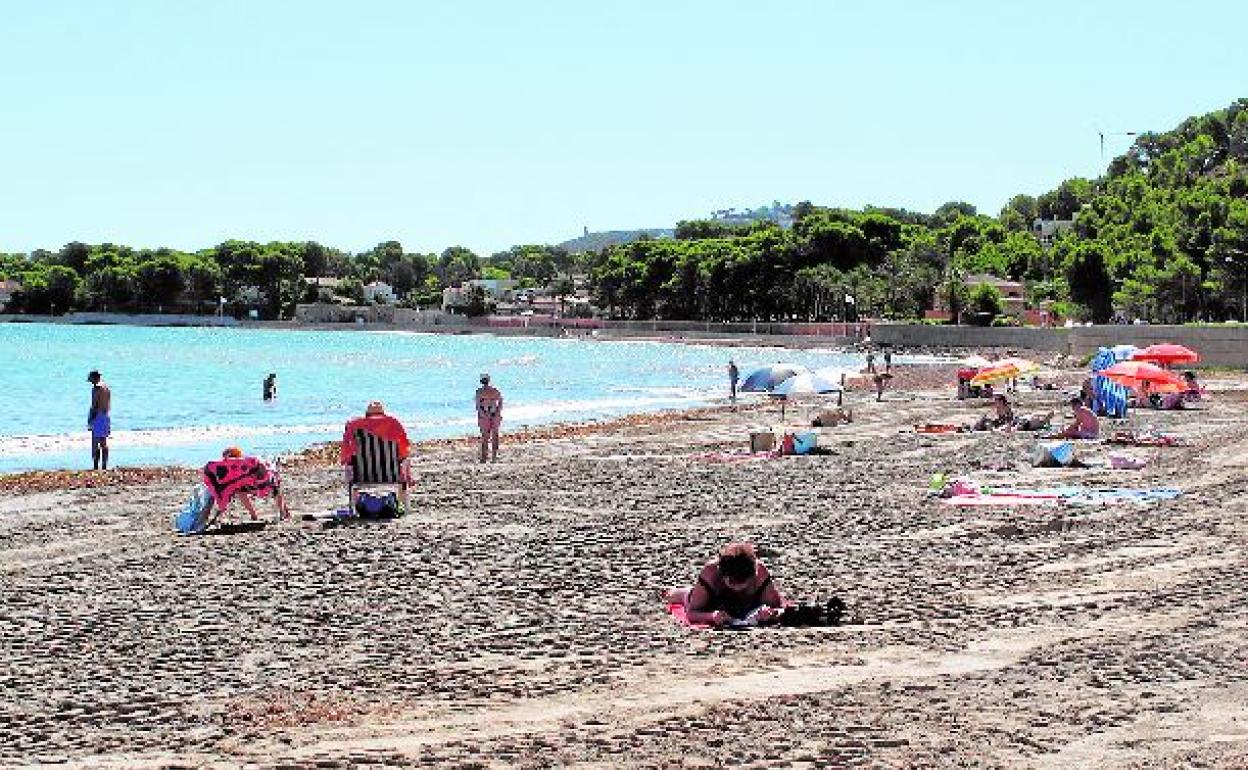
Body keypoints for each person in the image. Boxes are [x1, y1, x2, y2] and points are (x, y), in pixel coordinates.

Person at [663, 542, 786, 627]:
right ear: (722, 575)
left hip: (748, 604)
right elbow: (692, 613)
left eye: (743, 583)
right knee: (680, 596)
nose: (738, 588)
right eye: (732, 583)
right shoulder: (710, 573)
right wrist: (712, 616)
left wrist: (771, 613)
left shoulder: (761, 573)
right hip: (714, 601)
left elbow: (781, 609)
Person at [340, 401, 412, 514]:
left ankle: (353, 508)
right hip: (392, 475)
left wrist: (350, 462)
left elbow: (347, 453)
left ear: (366, 415)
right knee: (405, 461)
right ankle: (403, 506)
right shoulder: (393, 425)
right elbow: (404, 451)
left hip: (362, 476)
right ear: (383, 414)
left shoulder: (354, 427)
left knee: (349, 466)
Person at [203, 446, 291, 522]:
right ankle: (256, 515)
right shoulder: (237, 465)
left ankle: (282, 511)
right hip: (250, 481)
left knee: (275, 488)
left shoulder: (247, 462)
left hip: (259, 479)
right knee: (242, 491)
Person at [475, 374, 503, 463]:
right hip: (486, 416)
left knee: (492, 436)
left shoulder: (493, 391)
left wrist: (497, 412)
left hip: (492, 415)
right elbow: (478, 405)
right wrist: (483, 413)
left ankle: (492, 457)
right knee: (486, 437)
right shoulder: (480, 392)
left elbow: (500, 401)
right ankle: (485, 457)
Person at [86, 370, 111, 470]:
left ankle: (96, 466)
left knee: (95, 443)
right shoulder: (106, 388)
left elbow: (94, 404)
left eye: (91, 379)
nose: (90, 381)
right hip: (105, 415)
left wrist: (90, 418)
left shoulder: (96, 388)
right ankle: (104, 466)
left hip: (98, 415)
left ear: (94, 378)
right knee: (103, 442)